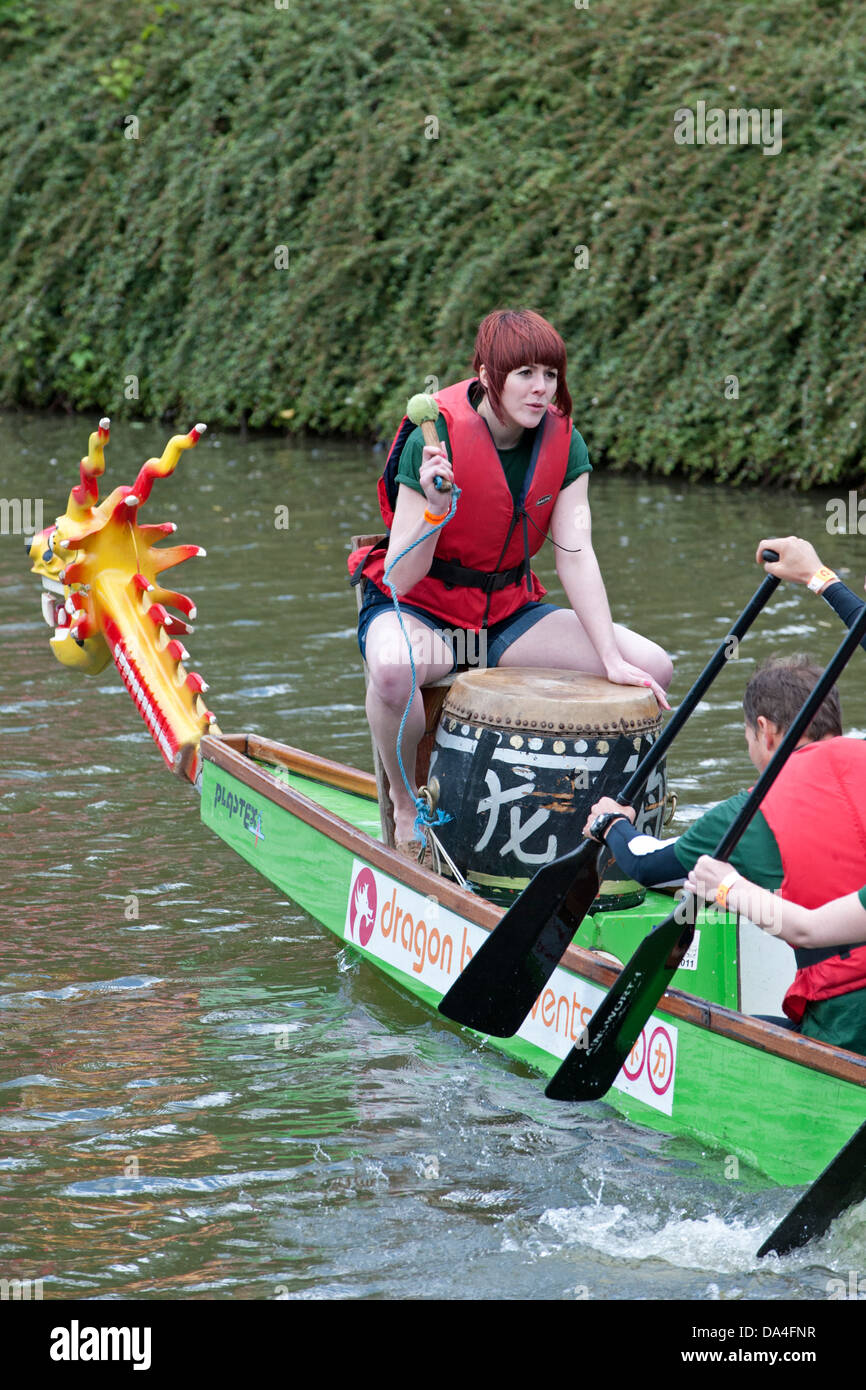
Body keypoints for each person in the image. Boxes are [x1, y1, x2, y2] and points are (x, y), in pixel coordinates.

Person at [349, 309, 673, 856]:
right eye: (524, 373)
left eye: (550, 373)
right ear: (485, 374)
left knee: (653, 668)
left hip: (505, 612)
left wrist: (611, 659)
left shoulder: (565, 442)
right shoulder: (431, 440)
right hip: (421, 610)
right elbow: (401, 577)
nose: (541, 388)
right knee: (391, 670)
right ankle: (406, 806)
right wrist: (434, 509)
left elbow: (575, 554)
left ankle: (603, 827)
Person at [585, 653, 866, 1052]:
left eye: (749, 736)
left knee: (723, 1037)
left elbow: (646, 864)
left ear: (765, 731)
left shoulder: (748, 813)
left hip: (846, 1022)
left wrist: (611, 825)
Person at [685, 858, 866, 1055]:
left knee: (705, 1045)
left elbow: (806, 930)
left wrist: (728, 887)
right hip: (838, 1022)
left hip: (848, 1039)